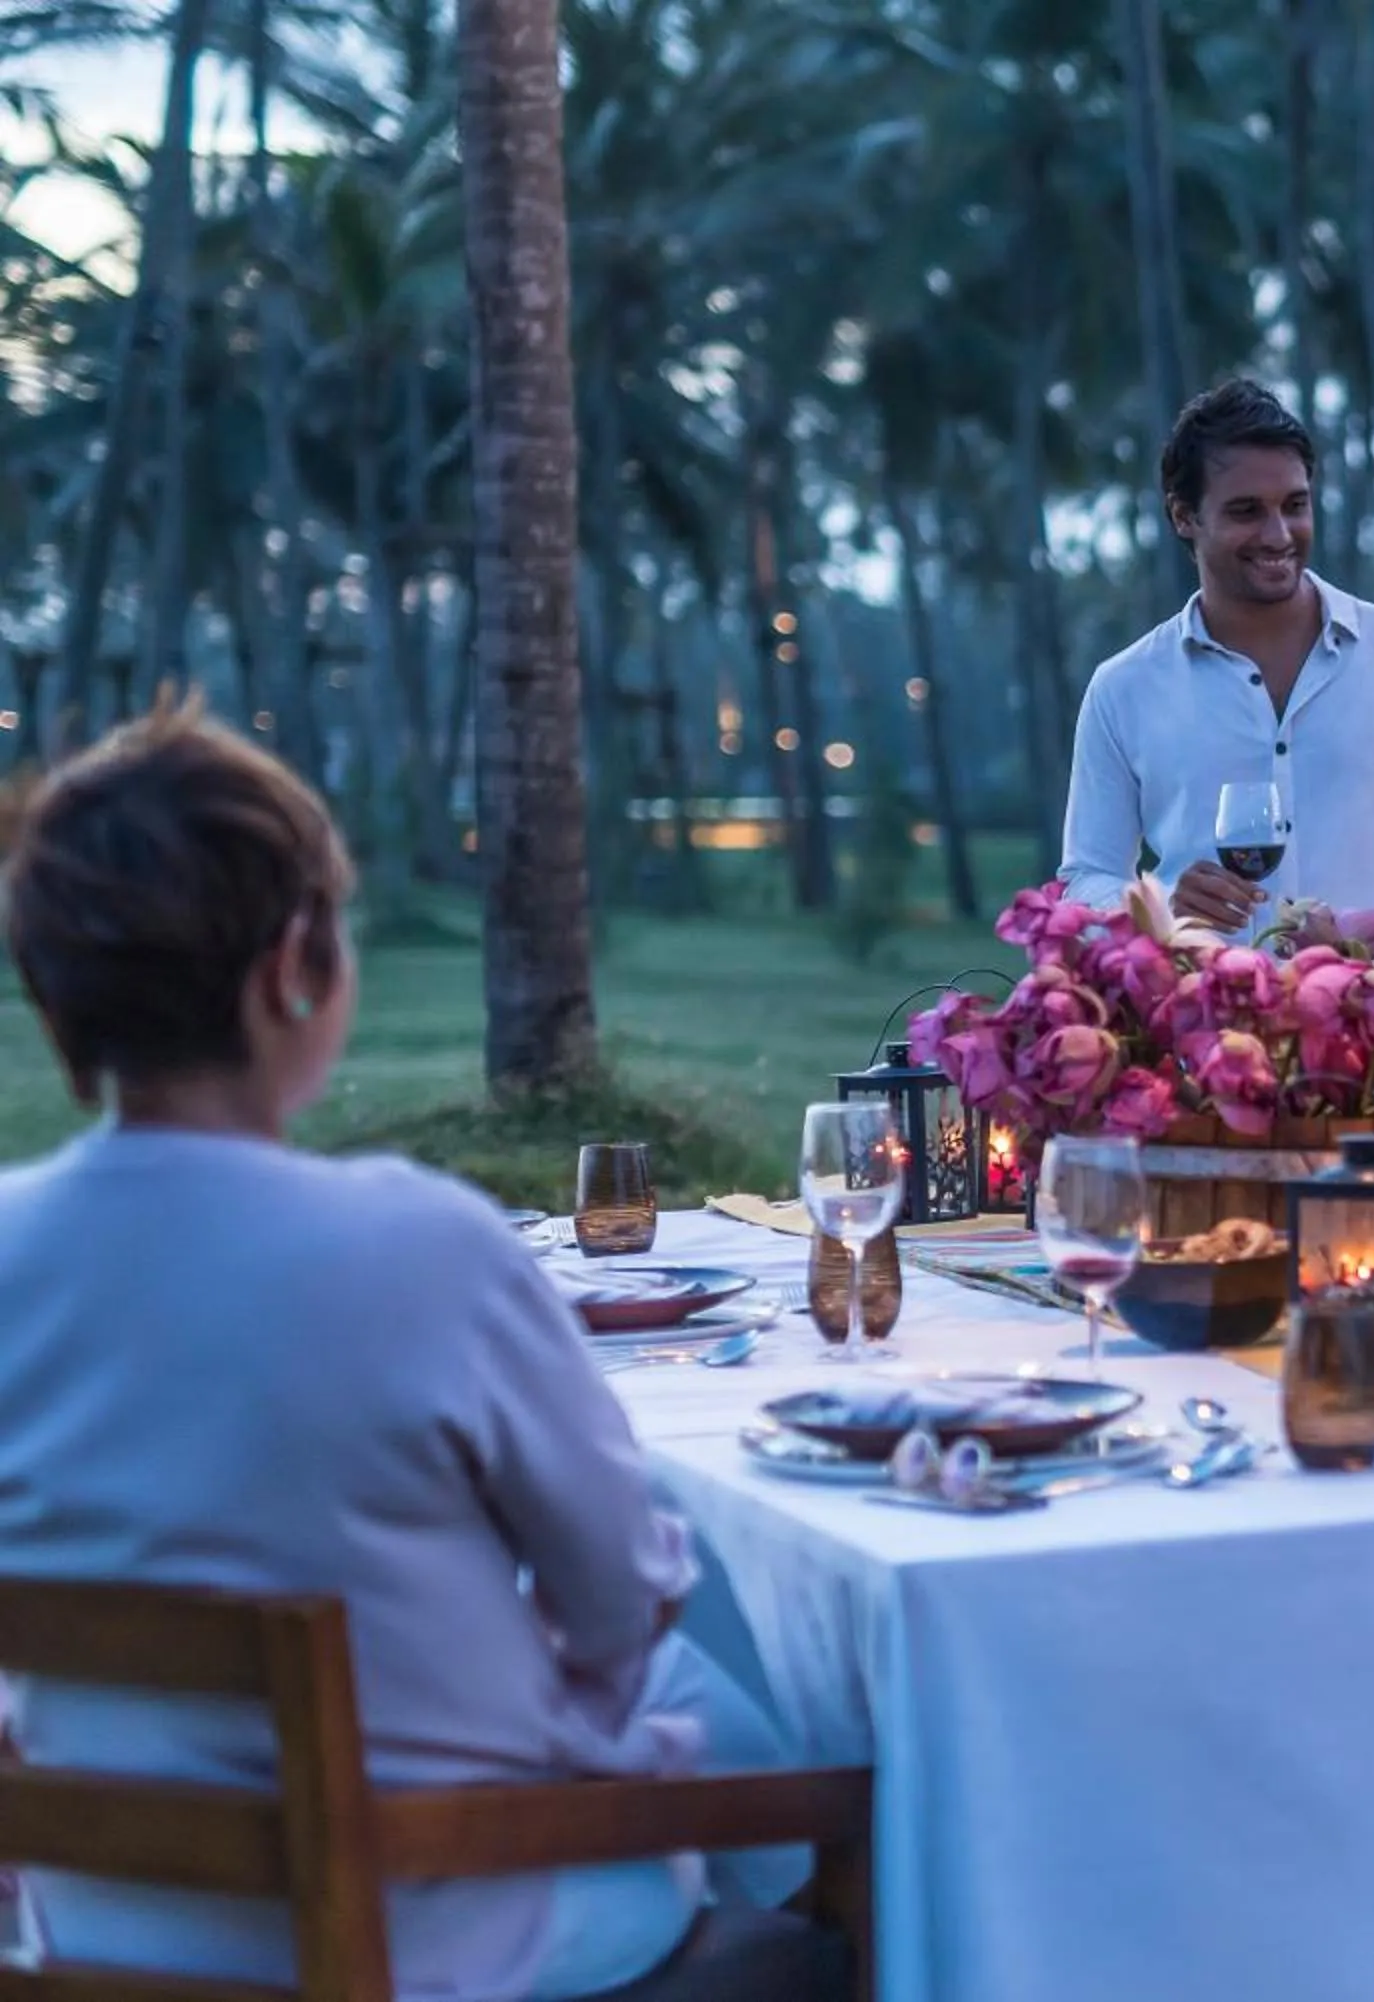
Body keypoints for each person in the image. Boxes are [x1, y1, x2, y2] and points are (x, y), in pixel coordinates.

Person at [0, 705, 841, 1999]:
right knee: (771, 1750)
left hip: (107, 1930)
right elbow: (622, 1595)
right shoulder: (421, 1244)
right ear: (292, 965)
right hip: (447, 1931)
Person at [1059, 378, 1374, 937]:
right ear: (1184, 516)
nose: (1278, 535)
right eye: (1246, 511)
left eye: (1295, 505)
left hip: (1370, 995)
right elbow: (1086, 878)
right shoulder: (1124, 688)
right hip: (1198, 994)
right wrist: (1160, 906)